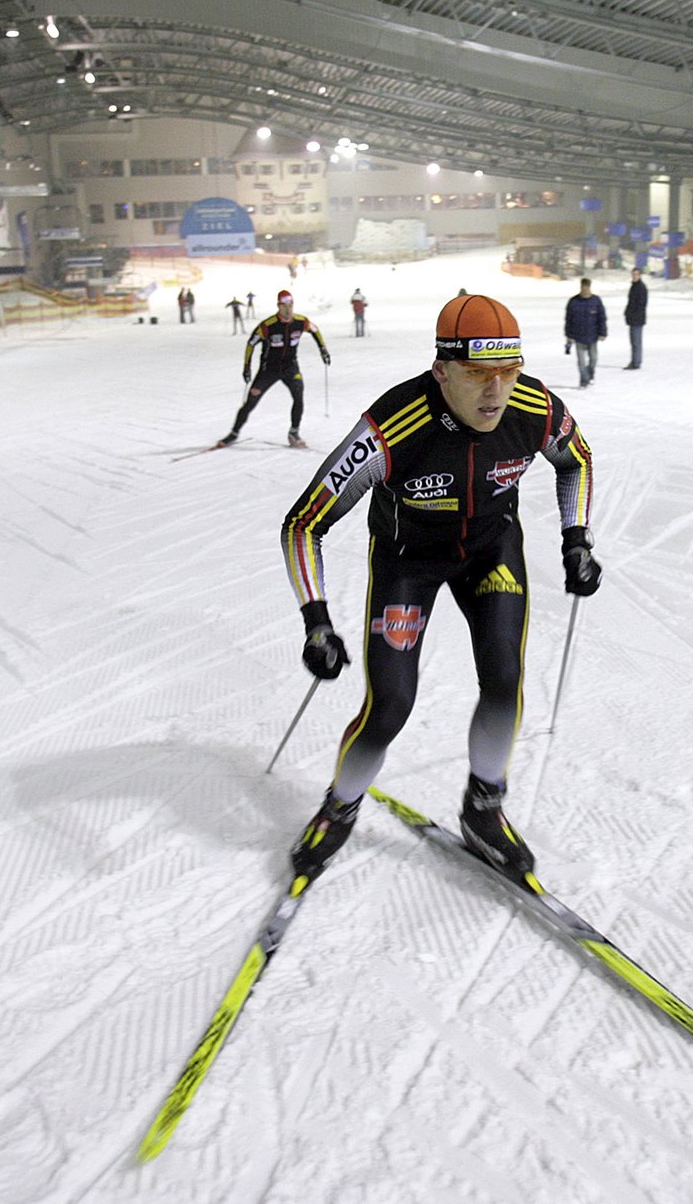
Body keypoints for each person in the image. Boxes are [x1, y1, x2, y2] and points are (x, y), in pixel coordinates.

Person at [281, 293, 600, 885]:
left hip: (491, 549)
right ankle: (339, 807)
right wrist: (316, 621)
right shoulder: (392, 427)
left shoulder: (536, 406)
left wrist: (576, 538)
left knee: (505, 679)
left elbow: (575, 459)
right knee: (389, 707)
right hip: (409, 561)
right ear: (442, 371)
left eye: (508, 372)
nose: (496, 391)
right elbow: (304, 523)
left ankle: (483, 809)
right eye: (478, 374)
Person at [219, 289, 329, 449]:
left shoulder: (301, 321)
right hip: (268, 369)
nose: (288, 309)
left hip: (290, 366)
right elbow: (251, 343)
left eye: (291, 305)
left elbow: (315, 330)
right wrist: (247, 367)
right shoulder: (268, 325)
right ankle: (234, 433)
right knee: (251, 402)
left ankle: (294, 432)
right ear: (279, 306)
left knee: (298, 395)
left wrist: (323, 350)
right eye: (284, 305)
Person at [564, 277, 607, 388]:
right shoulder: (573, 302)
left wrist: (603, 332)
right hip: (578, 337)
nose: (585, 290)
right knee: (581, 362)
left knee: (593, 359)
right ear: (580, 287)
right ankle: (584, 380)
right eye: (583, 288)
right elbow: (568, 320)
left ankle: (590, 374)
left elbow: (601, 318)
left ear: (589, 287)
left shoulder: (596, 301)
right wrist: (569, 336)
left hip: (593, 336)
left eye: (587, 288)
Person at [623, 268, 648, 369]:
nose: (634, 276)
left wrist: (634, 315)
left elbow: (641, 305)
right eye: (633, 274)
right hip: (632, 318)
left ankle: (636, 362)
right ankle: (634, 360)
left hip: (637, 319)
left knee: (636, 341)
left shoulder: (641, 288)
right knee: (633, 341)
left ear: (640, 275)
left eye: (636, 274)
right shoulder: (633, 287)